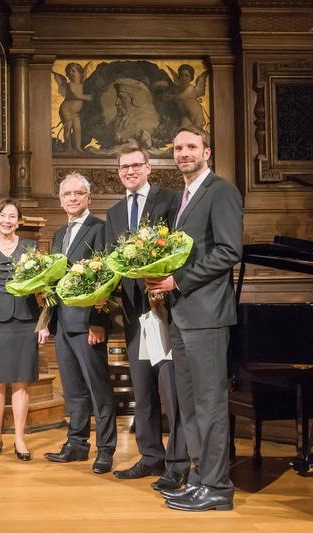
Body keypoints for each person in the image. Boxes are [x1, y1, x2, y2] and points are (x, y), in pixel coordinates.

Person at [146, 126, 242, 512]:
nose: (183, 153)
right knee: (190, 404)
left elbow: (228, 250)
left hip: (207, 314)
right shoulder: (183, 197)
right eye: (178, 148)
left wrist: (177, 280)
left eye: (191, 147)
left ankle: (218, 487)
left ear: (207, 151)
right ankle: (202, 478)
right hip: (182, 314)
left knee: (210, 402)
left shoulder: (221, 191)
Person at [104, 146, 189, 489]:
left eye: (136, 165)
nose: (130, 171)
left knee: (171, 390)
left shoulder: (169, 199)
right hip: (134, 314)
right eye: (124, 166)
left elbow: (179, 246)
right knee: (143, 389)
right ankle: (151, 455)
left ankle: (179, 461)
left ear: (149, 167)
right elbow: (113, 262)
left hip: (164, 310)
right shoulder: (113, 213)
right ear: (118, 171)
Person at [44, 172, 117, 474]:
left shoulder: (100, 229)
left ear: (89, 198)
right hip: (63, 322)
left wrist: (99, 322)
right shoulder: (58, 235)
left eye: (78, 193)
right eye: (66, 194)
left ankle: (106, 449)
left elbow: (108, 278)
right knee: (73, 389)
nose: (72, 198)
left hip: (89, 323)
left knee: (98, 388)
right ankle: (76, 444)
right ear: (60, 200)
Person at [0, 197, 48, 461]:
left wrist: (43, 323)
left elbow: (45, 289)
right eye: (2, 215)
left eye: (12, 216)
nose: (7, 220)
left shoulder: (30, 246)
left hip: (25, 322)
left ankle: (20, 440)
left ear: (19, 221)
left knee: (20, 384)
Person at [54, 62, 93, 153]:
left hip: (76, 113)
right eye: (69, 71)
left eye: (73, 71)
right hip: (66, 110)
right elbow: (75, 95)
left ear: (80, 73)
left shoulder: (83, 85)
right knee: (68, 127)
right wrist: (87, 97)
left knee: (77, 129)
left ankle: (77, 147)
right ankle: (68, 147)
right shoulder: (70, 85)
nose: (71, 73)